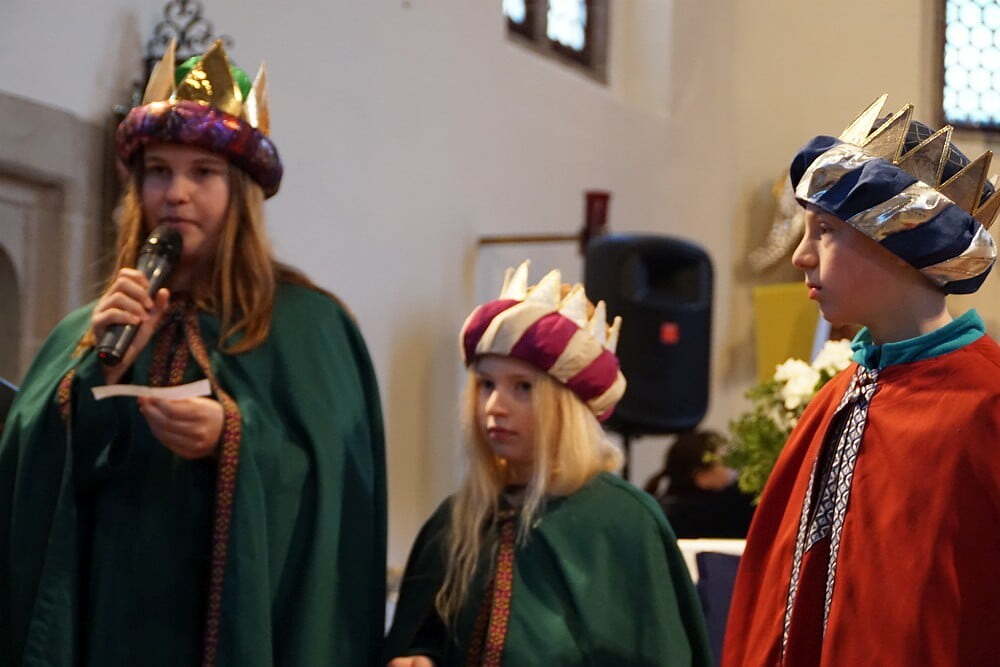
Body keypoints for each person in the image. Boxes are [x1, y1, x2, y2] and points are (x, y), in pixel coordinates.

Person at [0, 41, 386, 666]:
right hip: (111, 626)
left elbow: (336, 494)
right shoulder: (91, 328)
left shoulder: (310, 327)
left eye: (203, 173)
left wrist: (233, 439)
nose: (175, 193)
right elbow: (29, 481)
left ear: (241, 191)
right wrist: (100, 370)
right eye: (158, 171)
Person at [723, 95, 1000, 666]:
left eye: (824, 230)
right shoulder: (836, 398)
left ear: (901, 240)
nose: (801, 257)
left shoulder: (985, 402)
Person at [384, 262, 711, 666]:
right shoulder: (459, 518)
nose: (494, 406)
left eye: (522, 387)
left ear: (566, 406)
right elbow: (427, 634)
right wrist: (419, 657)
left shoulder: (622, 521)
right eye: (486, 384)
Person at [644, 431, 754, 539]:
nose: (734, 467)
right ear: (700, 476)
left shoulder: (660, 509)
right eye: (726, 461)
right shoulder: (727, 509)